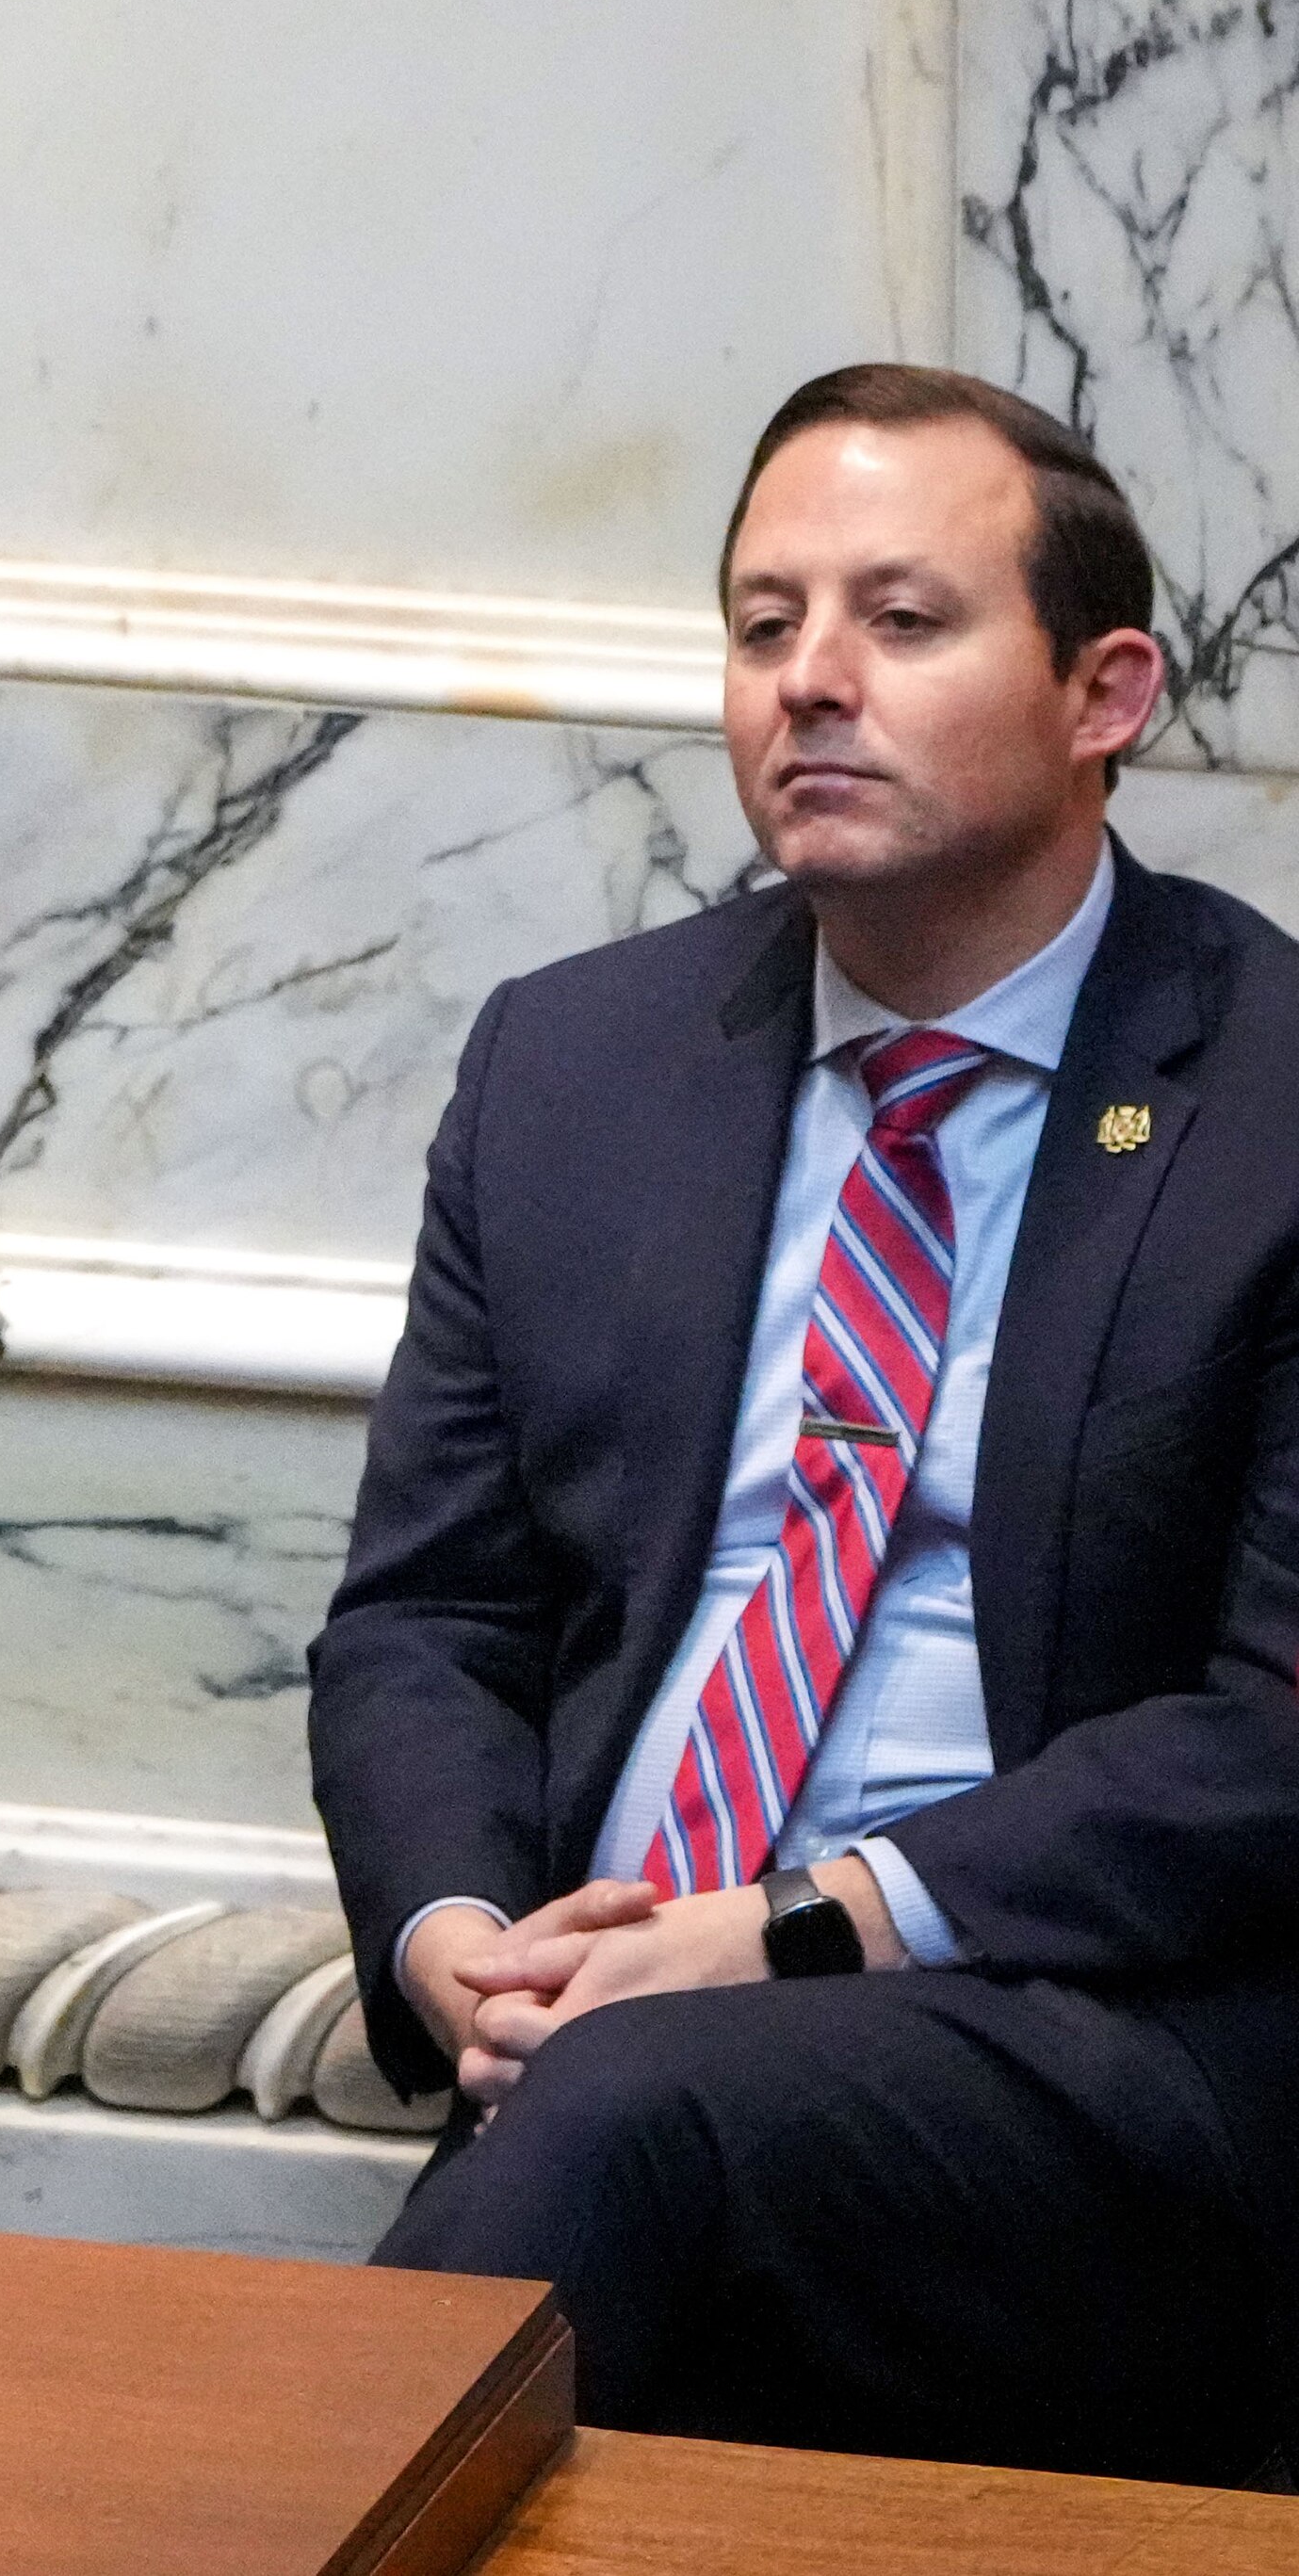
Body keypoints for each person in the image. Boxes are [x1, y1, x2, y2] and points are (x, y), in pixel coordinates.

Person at [309, 364, 1299, 2478]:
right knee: (615, 2127)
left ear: (1103, 690)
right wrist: (455, 1937)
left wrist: (780, 1923)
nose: (808, 683)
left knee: (625, 2123)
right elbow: (426, 1620)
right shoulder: (575, 1065)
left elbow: (1276, 1724)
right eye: (764, 626)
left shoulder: (1276, 1102)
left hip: (1107, 2031)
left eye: (901, 621)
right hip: (612, 2026)